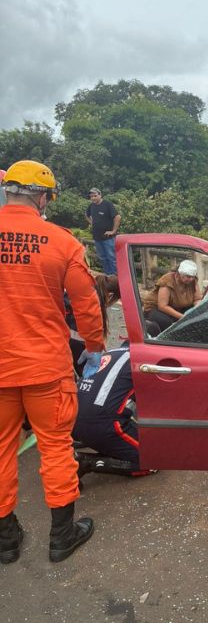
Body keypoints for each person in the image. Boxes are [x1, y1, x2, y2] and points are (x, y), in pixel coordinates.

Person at [0, 160, 103, 564]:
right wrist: (94, 347)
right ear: (42, 197)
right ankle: (62, 535)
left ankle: (6, 540)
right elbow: (87, 305)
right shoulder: (61, 242)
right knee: (56, 447)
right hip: (46, 368)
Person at [72, 322, 161, 478]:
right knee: (156, 460)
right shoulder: (142, 360)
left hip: (72, 421)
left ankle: (97, 446)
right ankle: (86, 462)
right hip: (101, 425)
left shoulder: (109, 352)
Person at [144, 259, 202, 331]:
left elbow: (197, 299)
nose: (191, 279)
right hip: (156, 309)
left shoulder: (193, 281)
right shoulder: (167, 281)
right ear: (178, 274)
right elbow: (162, 306)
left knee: (195, 320)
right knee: (170, 325)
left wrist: (198, 310)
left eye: (192, 276)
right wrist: (183, 317)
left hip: (178, 307)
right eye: (188, 276)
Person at [85, 188, 120, 276]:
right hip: (97, 237)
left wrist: (113, 231)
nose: (93, 198)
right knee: (103, 258)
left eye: (95, 196)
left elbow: (118, 217)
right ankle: (108, 276)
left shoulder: (107, 205)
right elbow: (86, 215)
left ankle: (115, 277)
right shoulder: (91, 206)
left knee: (111, 258)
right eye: (91, 196)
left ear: (100, 195)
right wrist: (92, 223)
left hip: (108, 238)